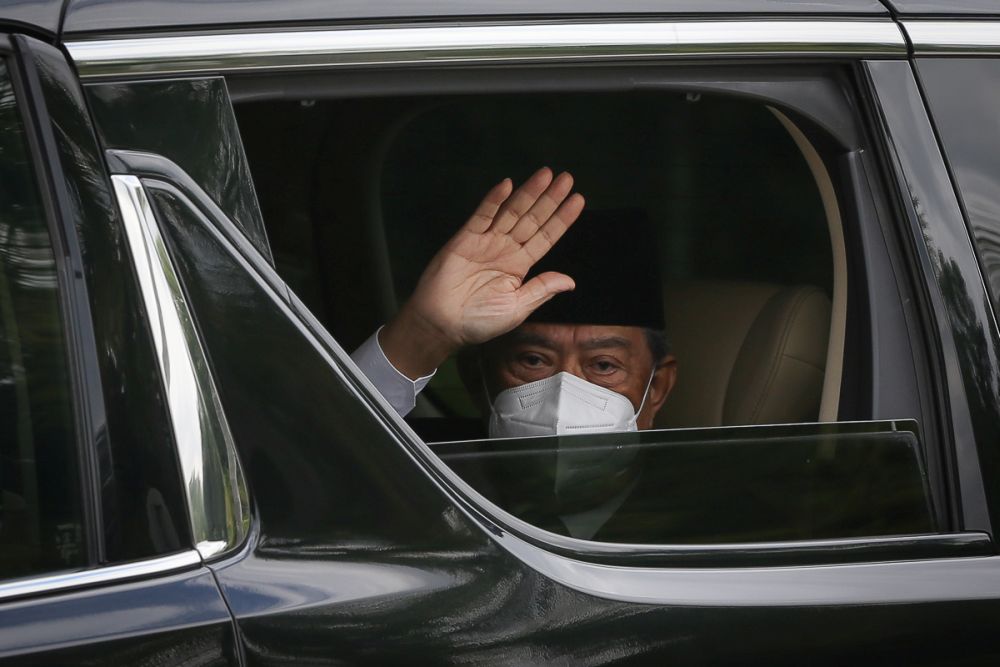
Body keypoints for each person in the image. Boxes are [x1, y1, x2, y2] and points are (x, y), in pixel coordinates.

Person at [351, 167, 677, 435]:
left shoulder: (709, 502)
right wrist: (424, 333)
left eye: (604, 366)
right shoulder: (414, 472)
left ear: (658, 386)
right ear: (475, 377)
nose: (561, 401)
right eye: (533, 360)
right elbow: (310, 463)